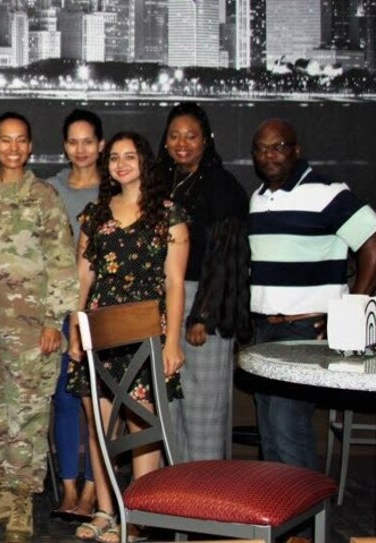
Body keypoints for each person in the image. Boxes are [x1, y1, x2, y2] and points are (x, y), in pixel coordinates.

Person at [67, 132, 189, 543]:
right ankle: (105, 509)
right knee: (97, 426)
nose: (120, 164)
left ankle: (137, 516)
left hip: (147, 336)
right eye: (114, 157)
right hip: (98, 332)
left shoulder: (168, 214)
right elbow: (83, 277)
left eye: (129, 156)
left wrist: (172, 343)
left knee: (142, 426)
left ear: (145, 162)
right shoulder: (95, 213)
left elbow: (175, 283)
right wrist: (74, 332)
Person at [248, 119, 376, 471]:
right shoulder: (258, 197)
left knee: (287, 430)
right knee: (270, 436)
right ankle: (280, 520)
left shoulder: (328, 192)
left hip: (305, 332)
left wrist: (351, 310)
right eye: (261, 148)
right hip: (264, 330)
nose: (269, 155)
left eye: (278, 146)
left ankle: (308, 525)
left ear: (297, 150)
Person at [0, 113, 77, 542]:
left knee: (28, 417)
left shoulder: (45, 196)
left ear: (29, 147)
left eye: (21, 141)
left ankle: (23, 501)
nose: (13, 148)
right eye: (5, 141)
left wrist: (55, 321)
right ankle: (1, 493)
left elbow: (63, 263)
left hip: (35, 332)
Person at [154, 102, 251, 462]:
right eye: (175, 135)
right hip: (162, 302)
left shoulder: (222, 187)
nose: (182, 143)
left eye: (191, 136)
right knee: (168, 401)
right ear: (164, 140)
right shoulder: (160, 182)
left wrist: (203, 315)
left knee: (203, 409)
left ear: (206, 140)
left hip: (204, 302)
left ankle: (206, 500)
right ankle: (172, 495)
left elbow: (228, 257)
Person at [43, 109, 104, 521]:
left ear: (101, 144)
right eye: (72, 141)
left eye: (88, 141)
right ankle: (68, 486)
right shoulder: (49, 190)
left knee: (98, 405)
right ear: (64, 146)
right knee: (65, 399)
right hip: (62, 307)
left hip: (106, 309)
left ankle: (95, 489)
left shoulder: (116, 191)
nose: (80, 149)